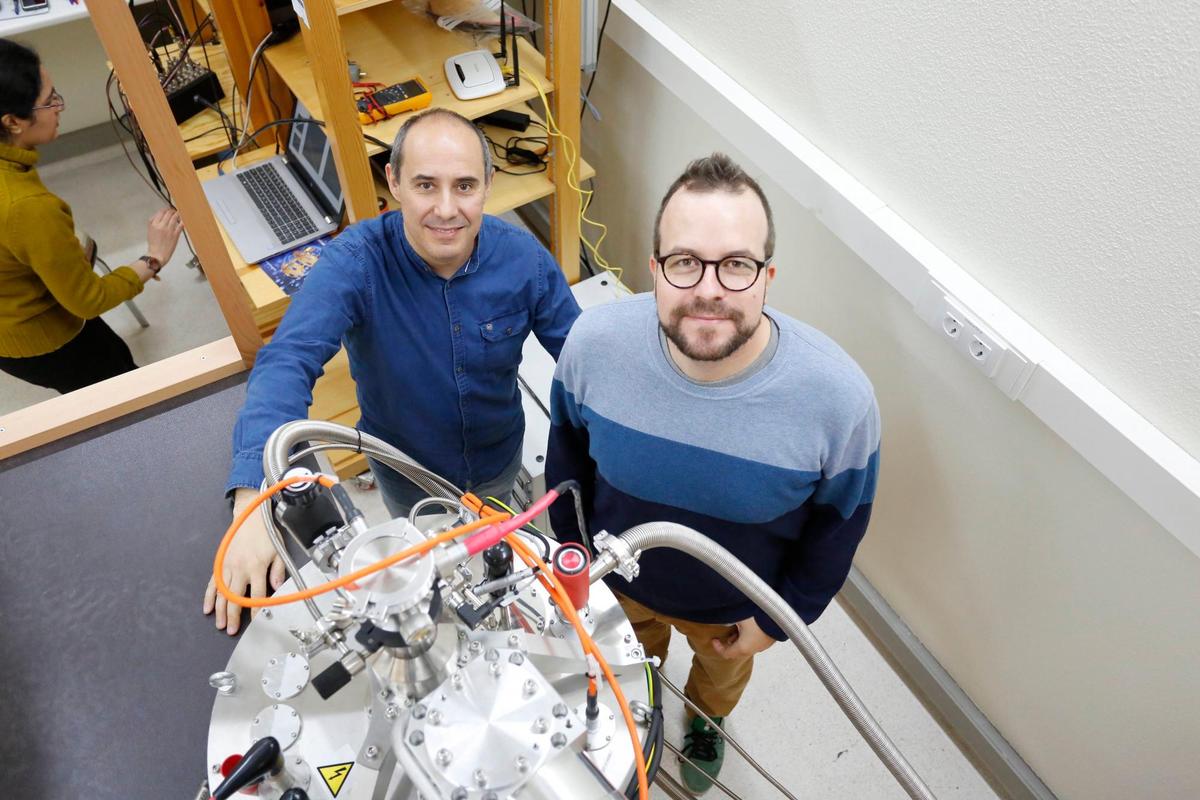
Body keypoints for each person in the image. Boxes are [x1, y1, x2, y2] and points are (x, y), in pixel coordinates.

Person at [545, 153, 880, 794]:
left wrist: (777, 622)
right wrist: (574, 561)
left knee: (717, 683)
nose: (708, 289)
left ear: (767, 276)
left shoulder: (837, 402)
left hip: (732, 615)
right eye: (684, 262)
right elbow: (567, 464)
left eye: (736, 265)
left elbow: (839, 530)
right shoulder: (594, 346)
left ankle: (705, 719)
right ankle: (633, 701)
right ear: (655, 269)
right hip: (619, 582)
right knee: (629, 668)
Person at [204, 108, 582, 635]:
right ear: (394, 182)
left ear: (488, 186)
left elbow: (583, 357)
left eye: (465, 186)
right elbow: (287, 361)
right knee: (424, 571)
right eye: (426, 185)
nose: (447, 210)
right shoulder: (354, 263)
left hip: (498, 459)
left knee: (491, 562)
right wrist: (258, 495)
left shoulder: (525, 261)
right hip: (404, 474)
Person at [0, 39, 183, 393]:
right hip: (45, 339)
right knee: (124, 391)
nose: (60, 107)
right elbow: (87, 300)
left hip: (13, 325)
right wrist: (154, 258)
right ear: (12, 121)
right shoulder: (28, 207)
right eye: (50, 100)